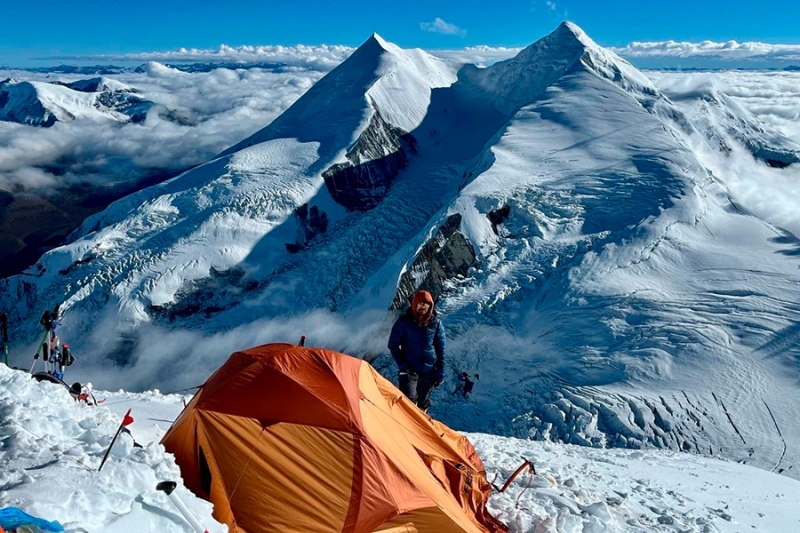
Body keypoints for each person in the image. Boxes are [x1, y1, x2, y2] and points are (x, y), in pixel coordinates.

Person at [388, 290, 445, 411]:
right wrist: (403, 366)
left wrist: (440, 371)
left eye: (426, 304)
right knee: (408, 404)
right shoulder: (404, 322)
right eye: (420, 304)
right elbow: (393, 345)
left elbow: (441, 349)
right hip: (409, 371)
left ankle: (418, 429)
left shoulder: (436, 324)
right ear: (414, 304)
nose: (422, 307)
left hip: (428, 372)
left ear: (431, 306)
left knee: (423, 405)